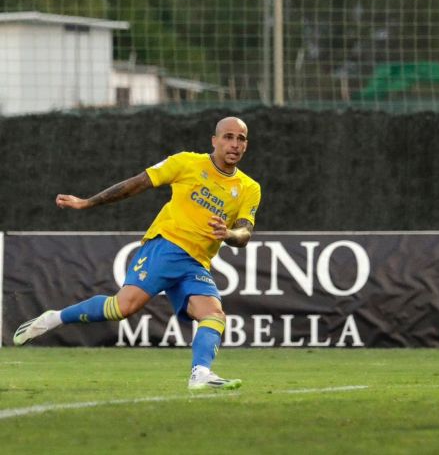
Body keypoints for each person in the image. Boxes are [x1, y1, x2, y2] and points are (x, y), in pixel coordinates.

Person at [13, 116, 262, 391]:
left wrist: (228, 234)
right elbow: (138, 183)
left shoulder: (249, 188)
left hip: (196, 263)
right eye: (228, 137)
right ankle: (54, 318)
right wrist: (88, 202)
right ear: (214, 141)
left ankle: (200, 373)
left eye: (240, 139)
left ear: (246, 145)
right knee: (121, 308)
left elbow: (244, 233)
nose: (234, 144)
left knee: (213, 314)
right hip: (166, 246)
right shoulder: (187, 163)